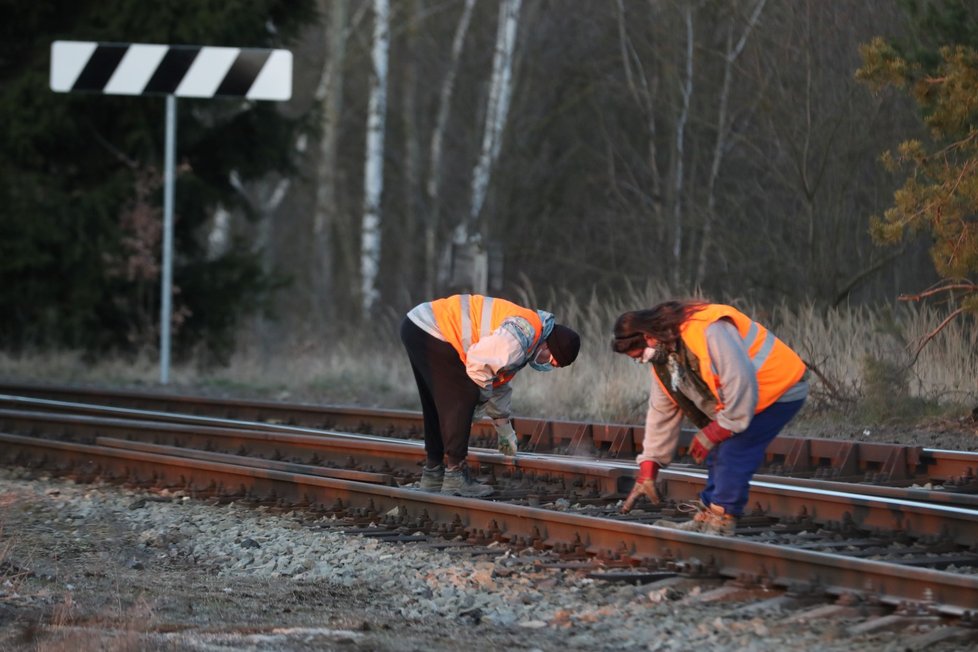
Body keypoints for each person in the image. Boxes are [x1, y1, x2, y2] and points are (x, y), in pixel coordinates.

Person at [612, 300, 808, 535]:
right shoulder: (665, 356)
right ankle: (707, 515)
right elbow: (661, 412)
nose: (642, 360)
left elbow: (740, 380)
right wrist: (649, 467)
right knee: (718, 454)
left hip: (780, 388)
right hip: (747, 400)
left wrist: (717, 430)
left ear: (649, 336)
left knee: (734, 451)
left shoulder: (709, 329)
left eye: (640, 355)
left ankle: (723, 520)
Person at [400, 293, 581, 497]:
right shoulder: (521, 336)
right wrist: (477, 401)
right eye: (550, 360)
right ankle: (455, 477)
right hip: (434, 330)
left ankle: (433, 474)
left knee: (438, 404)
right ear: (547, 346)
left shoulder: (529, 339)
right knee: (463, 396)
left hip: (419, 325)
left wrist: (504, 429)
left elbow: (497, 381)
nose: (546, 365)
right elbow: (478, 364)